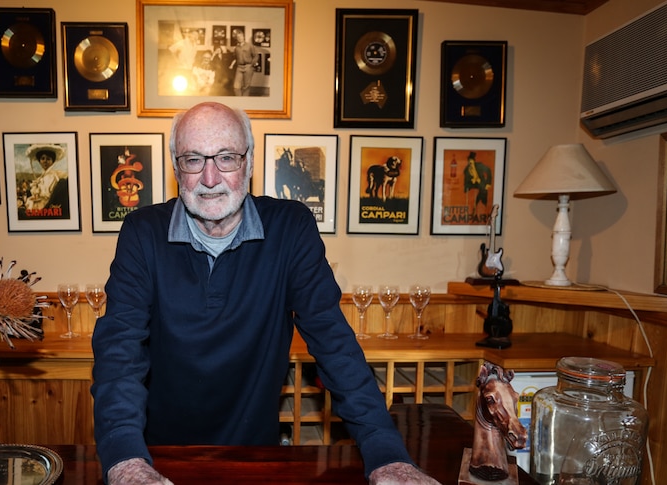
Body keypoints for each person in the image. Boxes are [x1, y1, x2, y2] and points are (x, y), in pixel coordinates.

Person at [91, 102, 440, 485]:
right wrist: (125, 461)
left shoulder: (291, 228)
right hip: (158, 457)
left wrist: (387, 455)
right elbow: (119, 352)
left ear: (250, 163)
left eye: (226, 158)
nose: (210, 178)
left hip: (257, 457)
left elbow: (333, 341)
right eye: (193, 160)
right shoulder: (142, 233)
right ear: (177, 168)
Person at [228, 29, 258, 96]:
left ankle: (244, 101)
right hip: (239, 67)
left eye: (241, 36)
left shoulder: (250, 45)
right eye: (238, 37)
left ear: (244, 37)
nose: (240, 38)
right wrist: (231, 65)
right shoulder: (236, 48)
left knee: (246, 87)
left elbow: (256, 56)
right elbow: (235, 58)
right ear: (236, 38)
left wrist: (251, 65)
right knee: (236, 87)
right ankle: (239, 99)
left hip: (248, 67)